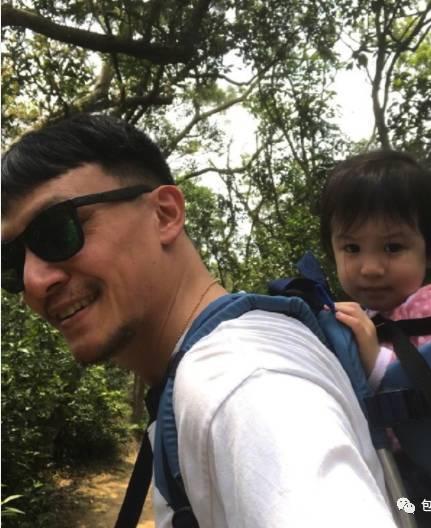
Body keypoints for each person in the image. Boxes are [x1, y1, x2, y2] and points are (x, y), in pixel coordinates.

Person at [2, 114, 396, 527]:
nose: (33, 281)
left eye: (57, 231)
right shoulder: (203, 374)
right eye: (10, 262)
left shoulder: (238, 380)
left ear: (164, 215)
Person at [319, 150, 431, 391]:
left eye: (393, 247)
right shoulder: (366, 317)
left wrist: (376, 359)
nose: (370, 269)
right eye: (352, 248)